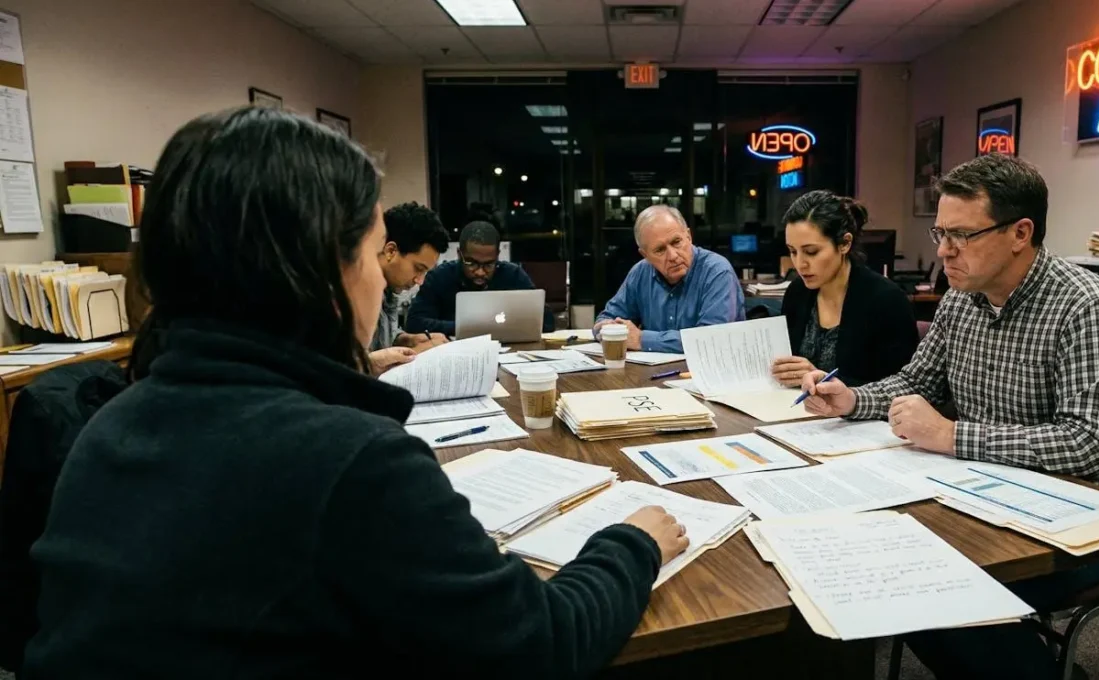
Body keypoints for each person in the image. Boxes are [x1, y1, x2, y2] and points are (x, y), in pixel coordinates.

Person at [23, 107, 688, 678]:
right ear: (315, 268)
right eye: (374, 255)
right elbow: (541, 647)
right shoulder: (349, 460)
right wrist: (632, 542)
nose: (387, 282)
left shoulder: (112, 423)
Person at [799, 154, 1099, 680]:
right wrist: (852, 399)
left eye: (961, 236)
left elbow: (1089, 444)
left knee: (937, 586)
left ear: (1020, 233)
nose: (942, 251)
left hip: (1095, 515)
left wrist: (953, 435)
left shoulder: (1088, 307)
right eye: (941, 233)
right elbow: (916, 383)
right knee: (889, 572)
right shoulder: (962, 300)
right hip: (990, 488)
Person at [771, 190, 918, 388]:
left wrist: (823, 379)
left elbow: (901, 387)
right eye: (792, 251)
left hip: (864, 417)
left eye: (811, 252)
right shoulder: (798, 292)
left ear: (844, 244)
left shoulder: (886, 300)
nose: (800, 264)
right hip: (801, 411)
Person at [593, 205, 744, 353]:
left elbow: (709, 339)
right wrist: (607, 328)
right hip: (653, 374)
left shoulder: (717, 272)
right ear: (645, 255)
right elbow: (607, 318)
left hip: (710, 373)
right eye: (660, 250)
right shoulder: (640, 272)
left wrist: (641, 339)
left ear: (689, 237)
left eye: (676, 242)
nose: (672, 256)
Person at [404, 221, 553, 338]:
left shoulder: (513, 275)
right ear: (459, 254)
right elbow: (414, 323)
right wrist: (467, 328)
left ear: (498, 255)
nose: (480, 272)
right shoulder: (439, 277)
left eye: (489, 264)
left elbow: (546, 322)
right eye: (471, 263)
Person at [370, 201, 448, 353]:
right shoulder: (356, 291)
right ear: (391, 251)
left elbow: (383, 338)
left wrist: (408, 340)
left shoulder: (388, 289)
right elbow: (350, 366)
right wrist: (412, 354)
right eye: (418, 269)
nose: (419, 281)